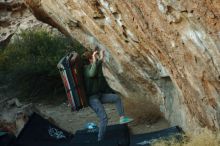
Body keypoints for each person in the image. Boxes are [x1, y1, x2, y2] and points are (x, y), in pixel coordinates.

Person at [82, 47, 133, 141]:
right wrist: (94, 58)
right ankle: (100, 139)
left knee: (116, 98)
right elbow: (92, 74)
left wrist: (101, 56)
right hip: (92, 99)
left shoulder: (94, 65)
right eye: (94, 58)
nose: (96, 59)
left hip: (99, 95)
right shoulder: (86, 69)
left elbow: (99, 63)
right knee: (104, 118)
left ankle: (122, 118)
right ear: (90, 60)